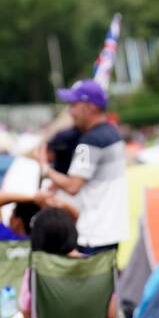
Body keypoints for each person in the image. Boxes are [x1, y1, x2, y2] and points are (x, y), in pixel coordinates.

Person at [41, 80, 128, 256]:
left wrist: (45, 167)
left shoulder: (89, 142)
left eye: (73, 105)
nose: (70, 112)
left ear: (89, 107)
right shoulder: (113, 134)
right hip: (112, 230)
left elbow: (73, 186)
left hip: (93, 234)